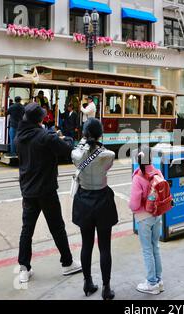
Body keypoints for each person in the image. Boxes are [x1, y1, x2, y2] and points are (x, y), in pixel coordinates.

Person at [14, 102, 82, 283]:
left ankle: (24, 268)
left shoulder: (19, 137)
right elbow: (68, 150)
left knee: (26, 230)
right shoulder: (45, 136)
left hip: (28, 191)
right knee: (57, 227)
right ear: (40, 119)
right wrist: (56, 137)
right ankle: (67, 263)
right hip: (46, 191)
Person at [71, 118, 118, 300]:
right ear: (100, 134)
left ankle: (87, 282)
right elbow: (108, 155)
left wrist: (84, 142)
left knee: (86, 244)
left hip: (84, 200)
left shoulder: (76, 155)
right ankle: (106, 288)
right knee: (105, 247)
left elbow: (77, 152)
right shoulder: (107, 155)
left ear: (83, 134)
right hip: (102, 199)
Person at [129, 146, 164, 295]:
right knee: (155, 247)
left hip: (144, 218)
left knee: (147, 250)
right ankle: (159, 280)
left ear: (138, 160)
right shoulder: (158, 172)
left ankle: (151, 283)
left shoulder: (138, 177)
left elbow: (134, 204)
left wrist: (129, 205)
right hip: (157, 215)